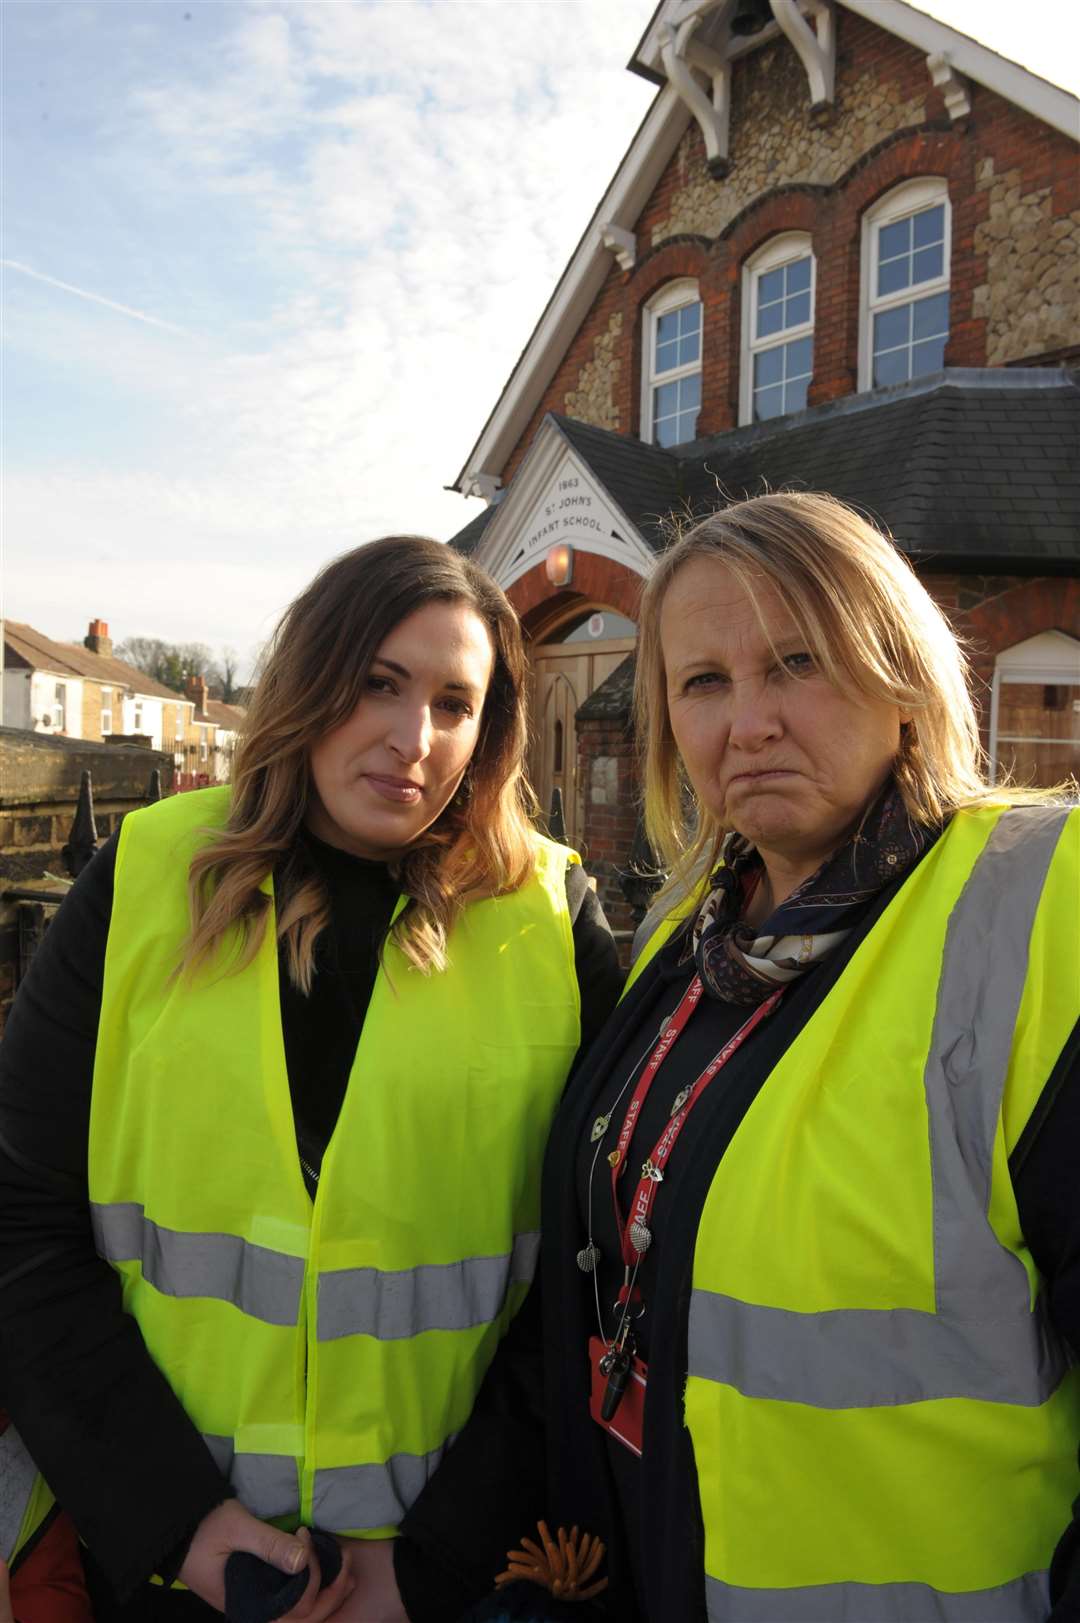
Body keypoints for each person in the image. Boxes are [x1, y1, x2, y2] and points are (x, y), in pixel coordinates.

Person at [402, 492, 1080, 1622]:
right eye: (703, 682)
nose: (747, 722)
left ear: (903, 679)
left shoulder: (1038, 905)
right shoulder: (689, 933)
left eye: (797, 662)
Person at [0, 536, 622, 1620]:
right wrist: (181, 1522)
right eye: (378, 684)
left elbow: (596, 1273)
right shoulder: (143, 878)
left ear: (490, 732)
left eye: (452, 702)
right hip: (169, 1567)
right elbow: (23, 1220)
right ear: (310, 682)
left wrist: (430, 1560)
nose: (411, 738)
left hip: (448, 1579)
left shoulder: (555, 925)